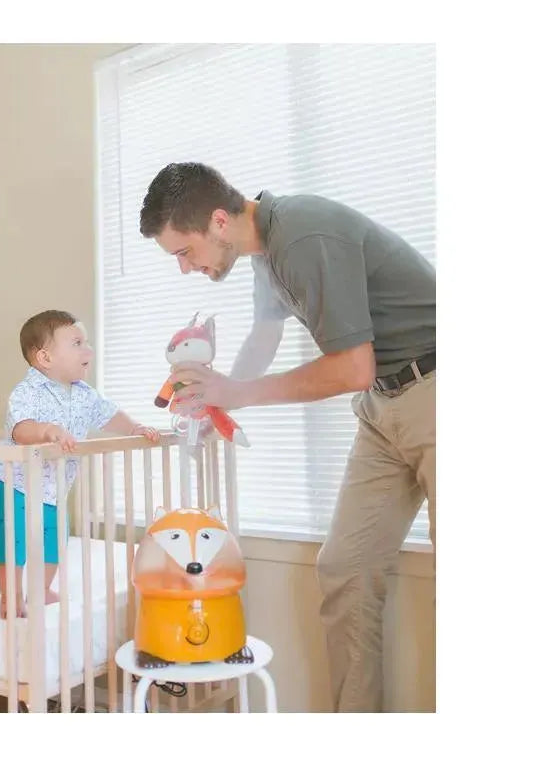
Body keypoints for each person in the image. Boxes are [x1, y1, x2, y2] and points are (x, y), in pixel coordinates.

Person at [139, 162, 435, 712]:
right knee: (345, 568)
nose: (184, 268)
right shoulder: (266, 254)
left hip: (436, 387)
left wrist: (238, 392)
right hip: (384, 406)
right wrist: (214, 401)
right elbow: (264, 335)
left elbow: (352, 368)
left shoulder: (302, 233)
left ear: (218, 221)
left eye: (184, 251)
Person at [0, 309, 159, 618]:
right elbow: (21, 429)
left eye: (87, 342)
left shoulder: (84, 394)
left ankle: (42, 589)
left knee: (54, 538)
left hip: (53, 486)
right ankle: (10, 596)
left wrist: (134, 428)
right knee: (13, 541)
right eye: (77, 343)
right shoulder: (27, 391)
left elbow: (110, 415)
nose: (88, 351)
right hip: (14, 481)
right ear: (45, 357)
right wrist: (46, 430)